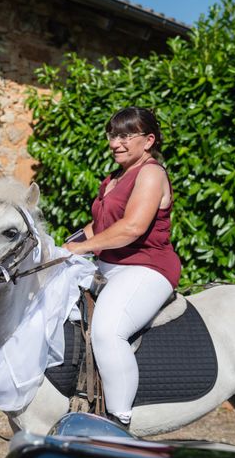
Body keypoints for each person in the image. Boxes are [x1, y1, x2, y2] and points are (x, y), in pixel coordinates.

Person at [63, 106, 181, 426]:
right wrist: (61, 248)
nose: (116, 143)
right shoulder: (114, 178)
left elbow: (132, 227)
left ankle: (118, 421)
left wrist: (82, 248)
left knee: (107, 331)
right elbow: (100, 224)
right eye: (113, 135)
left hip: (146, 268)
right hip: (109, 264)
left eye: (126, 136)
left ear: (148, 140)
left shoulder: (152, 173)